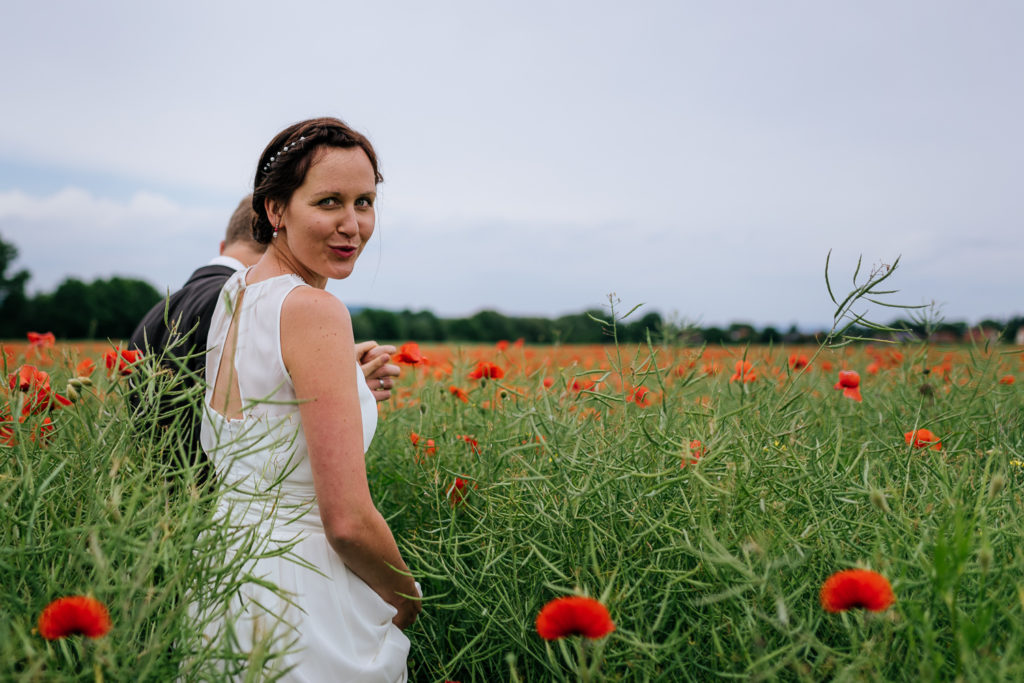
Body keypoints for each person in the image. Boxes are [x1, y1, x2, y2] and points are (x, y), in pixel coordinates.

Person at [198, 117, 419, 680]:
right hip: (302, 589)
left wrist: (348, 384)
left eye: (365, 201)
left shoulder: (234, 295)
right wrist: (406, 596)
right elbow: (345, 520)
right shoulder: (316, 310)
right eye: (328, 202)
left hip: (223, 572)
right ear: (275, 210)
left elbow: (264, 419)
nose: (353, 225)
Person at [128, 197, 399, 474]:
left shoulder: (156, 313)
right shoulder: (244, 304)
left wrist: (330, 374)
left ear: (223, 247)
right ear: (277, 243)